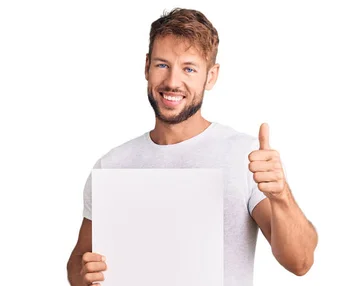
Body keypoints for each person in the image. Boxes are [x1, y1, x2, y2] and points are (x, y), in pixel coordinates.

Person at [66, 8, 318, 286]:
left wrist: (281, 195)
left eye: (189, 68)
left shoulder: (244, 157)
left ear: (210, 76)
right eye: (162, 65)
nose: (173, 82)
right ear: (146, 66)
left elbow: (300, 262)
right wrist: (84, 276)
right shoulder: (112, 165)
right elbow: (79, 262)